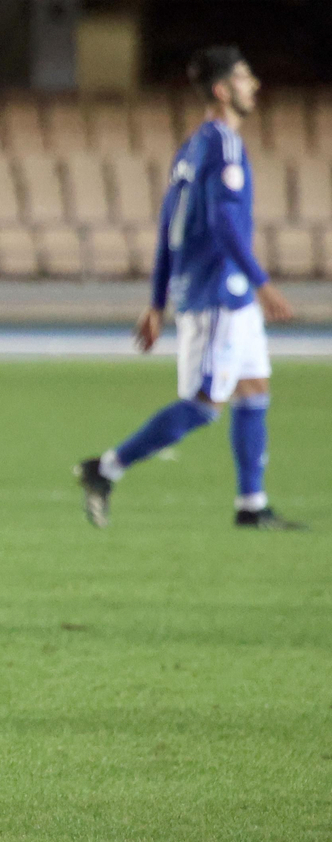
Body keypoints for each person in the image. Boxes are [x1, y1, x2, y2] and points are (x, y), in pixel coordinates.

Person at [75, 45, 304, 531]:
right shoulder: (222, 145)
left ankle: (252, 505)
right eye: (245, 78)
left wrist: (157, 301)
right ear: (222, 91)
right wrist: (263, 284)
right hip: (219, 291)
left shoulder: (193, 146)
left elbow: (168, 226)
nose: (255, 85)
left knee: (254, 388)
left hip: (227, 294)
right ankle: (106, 468)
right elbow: (223, 222)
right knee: (203, 406)